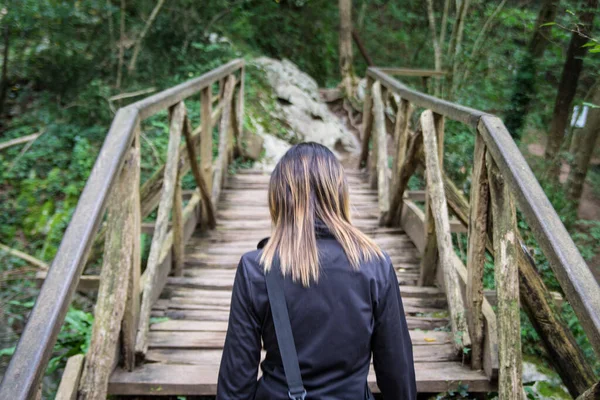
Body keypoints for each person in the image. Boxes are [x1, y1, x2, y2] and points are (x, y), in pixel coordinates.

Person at [217, 142, 416, 399]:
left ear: (279, 198)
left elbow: (236, 383)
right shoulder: (375, 265)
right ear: (339, 194)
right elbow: (397, 373)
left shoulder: (257, 269)